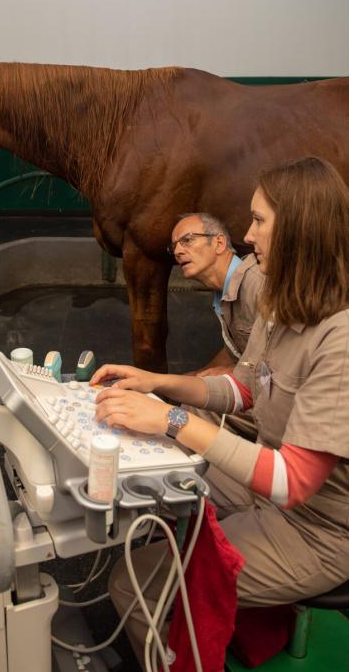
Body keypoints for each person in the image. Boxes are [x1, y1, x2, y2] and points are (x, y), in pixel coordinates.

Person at [91, 156, 348, 666]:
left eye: (258, 220)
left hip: (318, 529)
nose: (247, 237)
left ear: (298, 230)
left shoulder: (339, 340)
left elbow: (292, 481)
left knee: (131, 585)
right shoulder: (281, 305)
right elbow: (242, 390)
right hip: (275, 499)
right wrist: (157, 383)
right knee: (161, 479)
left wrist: (173, 420)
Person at [169, 212, 263, 440]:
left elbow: (284, 355)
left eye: (187, 240)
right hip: (257, 389)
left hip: (282, 399)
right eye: (174, 246)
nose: (178, 251)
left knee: (197, 406)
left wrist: (236, 372)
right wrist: (194, 377)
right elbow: (235, 349)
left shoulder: (255, 283)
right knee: (189, 390)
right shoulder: (222, 292)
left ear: (219, 243)